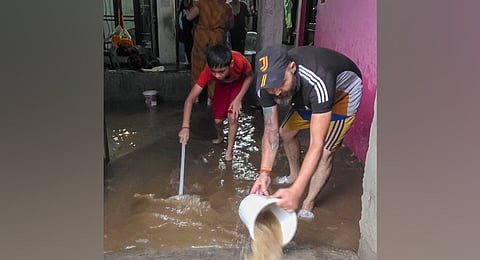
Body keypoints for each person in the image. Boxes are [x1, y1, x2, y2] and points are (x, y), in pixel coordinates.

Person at [249, 45, 363, 219]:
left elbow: (316, 144)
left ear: (292, 68)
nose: (276, 92)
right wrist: (264, 172)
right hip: (308, 95)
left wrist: (296, 192)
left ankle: (308, 201)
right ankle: (295, 174)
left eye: (280, 83)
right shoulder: (266, 88)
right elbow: (270, 130)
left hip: (343, 95)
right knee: (284, 132)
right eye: (270, 88)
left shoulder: (318, 79)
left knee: (325, 150)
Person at [178, 44, 254, 161]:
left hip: (238, 86)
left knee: (233, 116)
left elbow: (250, 76)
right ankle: (220, 136)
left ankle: (229, 151)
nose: (217, 75)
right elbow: (190, 99)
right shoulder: (208, 71)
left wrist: (238, 99)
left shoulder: (239, 60)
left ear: (231, 64)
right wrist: (185, 127)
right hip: (222, 87)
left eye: (221, 71)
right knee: (218, 121)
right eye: (214, 72)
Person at [184, 0, 233, 105]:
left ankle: (196, 97)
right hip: (218, 37)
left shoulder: (201, 3)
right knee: (215, 67)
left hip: (202, 37)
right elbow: (231, 25)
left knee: (198, 66)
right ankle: (210, 99)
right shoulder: (226, 7)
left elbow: (189, 17)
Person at [177, 0, 196, 64]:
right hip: (187, 30)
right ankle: (190, 61)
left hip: (188, 30)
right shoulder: (188, 8)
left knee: (189, 46)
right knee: (188, 46)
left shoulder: (185, 9)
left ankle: (190, 61)